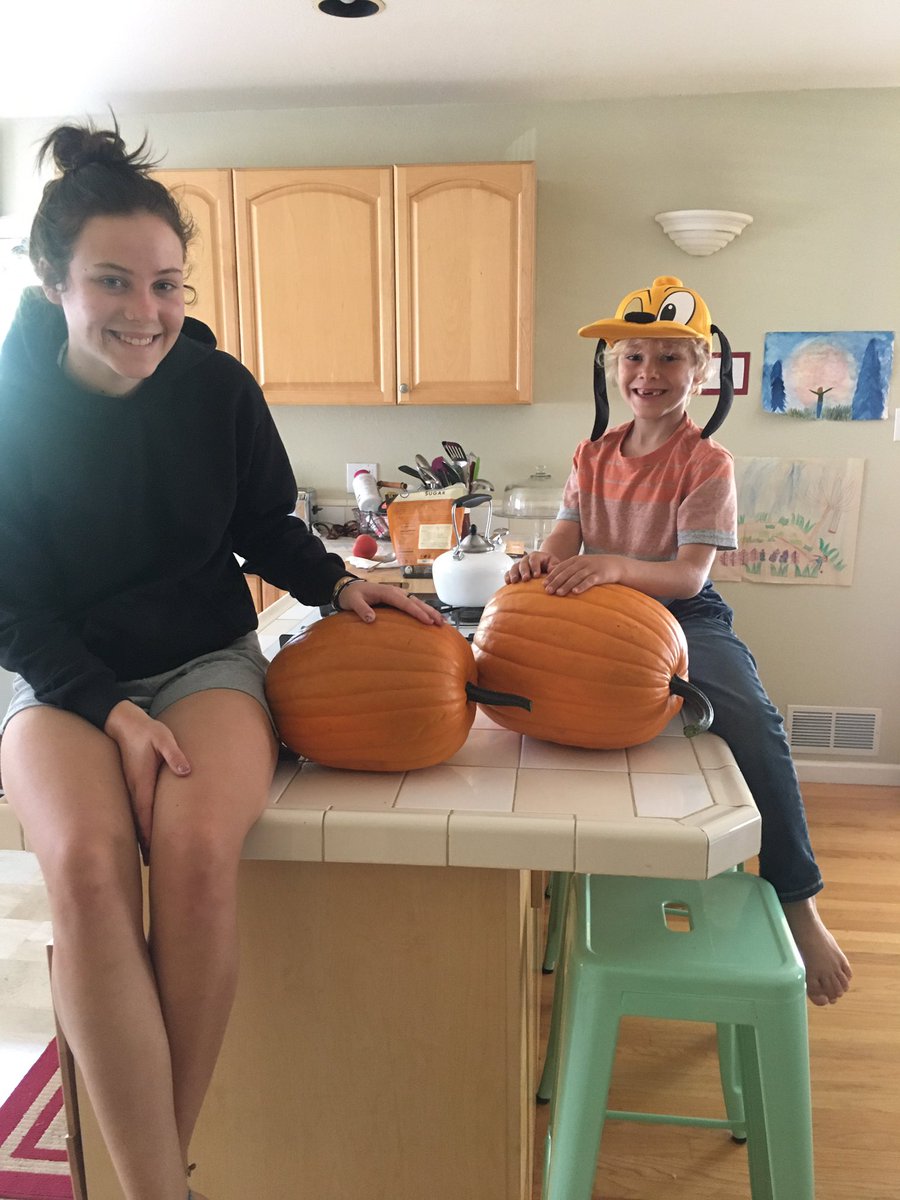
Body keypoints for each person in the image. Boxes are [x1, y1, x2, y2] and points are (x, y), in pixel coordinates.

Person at [0, 119, 440, 1200]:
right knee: (91, 869)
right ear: (54, 277)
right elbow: (10, 603)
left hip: (203, 660)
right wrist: (108, 709)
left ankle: (154, 1183)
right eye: (114, 282)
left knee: (196, 859)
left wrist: (339, 583)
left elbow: (265, 525)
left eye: (168, 284)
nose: (146, 314)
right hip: (58, 677)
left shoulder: (218, 389)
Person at [506, 275, 851, 1007]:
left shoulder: (707, 464)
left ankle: (795, 895)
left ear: (699, 374)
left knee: (753, 722)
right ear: (615, 370)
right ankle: (543, 882)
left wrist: (610, 566)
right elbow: (568, 532)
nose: (648, 374)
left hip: (682, 616)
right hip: (597, 607)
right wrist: (547, 555)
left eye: (668, 359)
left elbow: (690, 576)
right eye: (633, 358)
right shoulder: (592, 453)